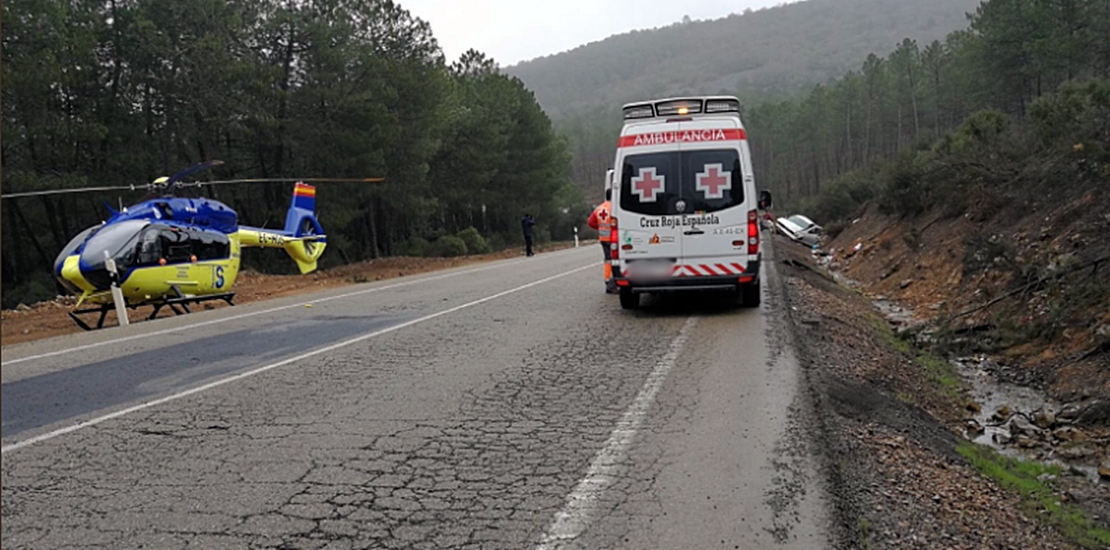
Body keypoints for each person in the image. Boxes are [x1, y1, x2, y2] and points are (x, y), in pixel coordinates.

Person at [587, 190, 617, 293]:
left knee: (607, 259)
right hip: (613, 238)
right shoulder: (614, 208)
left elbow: (590, 222)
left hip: (603, 238)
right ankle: (613, 282)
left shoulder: (599, 208)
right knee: (615, 260)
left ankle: (607, 279)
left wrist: (599, 228)